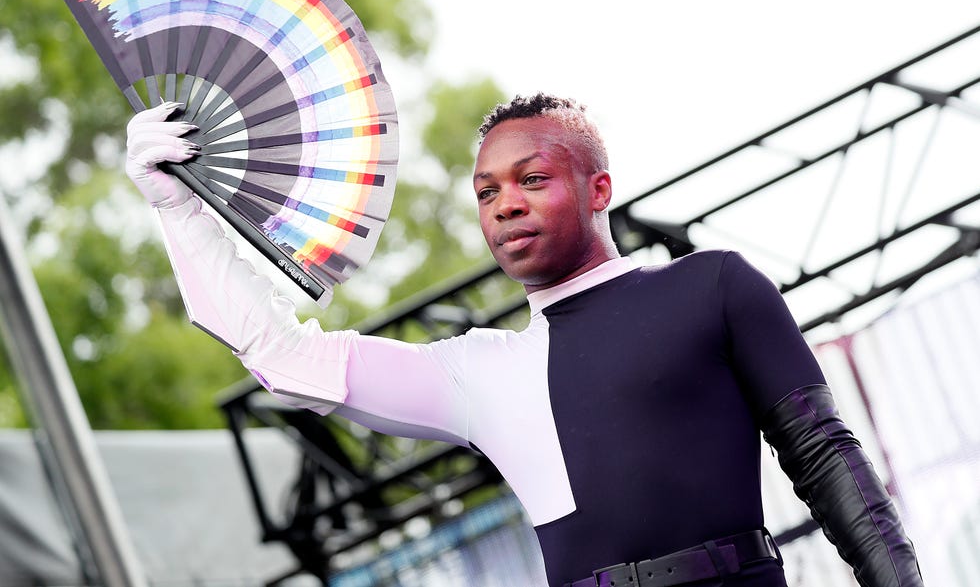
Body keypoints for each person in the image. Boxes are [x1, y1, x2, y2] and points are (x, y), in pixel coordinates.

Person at [126, 93, 924, 587]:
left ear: (598, 188)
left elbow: (826, 459)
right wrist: (179, 210)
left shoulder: (713, 285)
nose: (505, 203)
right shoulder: (482, 370)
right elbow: (286, 360)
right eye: (486, 191)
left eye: (532, 179)